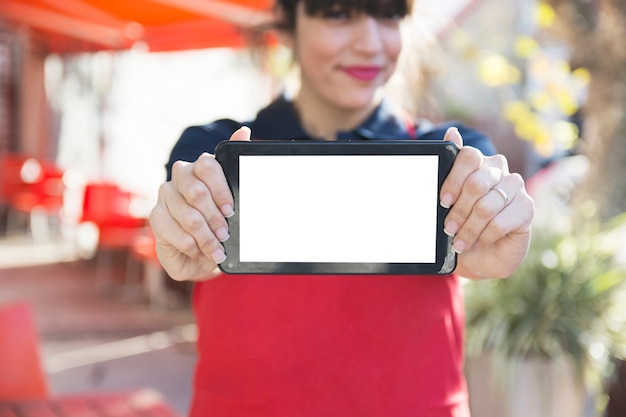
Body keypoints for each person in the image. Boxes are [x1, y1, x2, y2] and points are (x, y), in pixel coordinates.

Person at [149, 0, 535, 416]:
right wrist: (181, 225)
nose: (370, 43)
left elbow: (476, 252)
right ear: (288, 25)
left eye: (389, 14)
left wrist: (492, 225)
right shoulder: (210, 153)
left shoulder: (457, 156)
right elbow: (185, 224)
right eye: (337, 12)